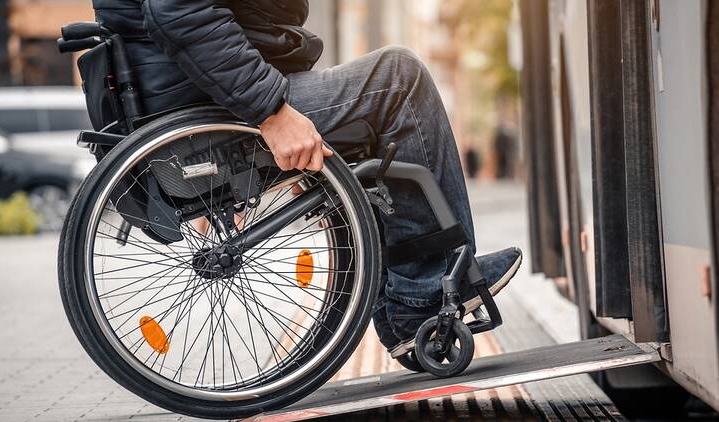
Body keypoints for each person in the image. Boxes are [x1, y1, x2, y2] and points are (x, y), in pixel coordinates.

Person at [95, 0, 521, 357]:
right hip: (205, 105)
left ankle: (406, 311)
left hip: (190, 95)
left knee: (375, 106)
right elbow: (179, 11)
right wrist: (272, 113)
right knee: (400, 80)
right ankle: (425, 293)